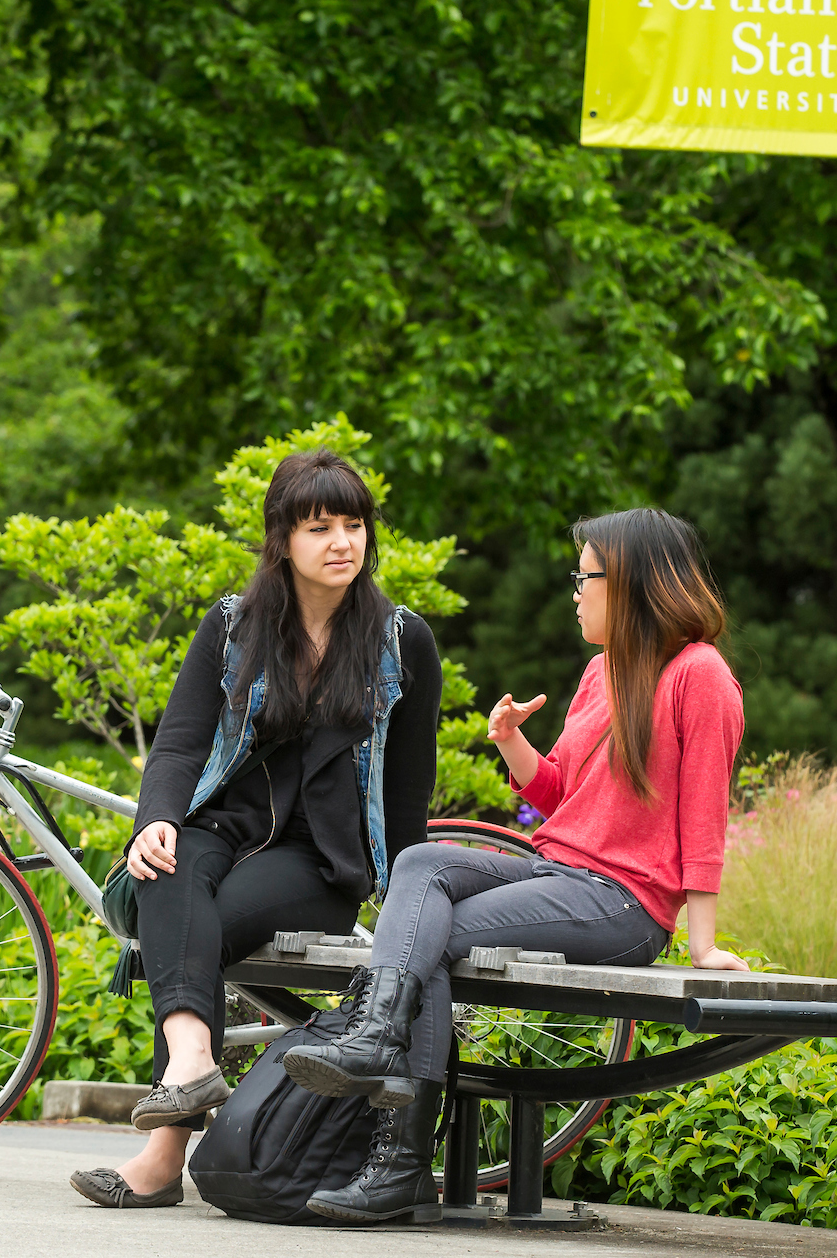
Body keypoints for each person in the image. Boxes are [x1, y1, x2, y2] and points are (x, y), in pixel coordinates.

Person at [280, 506, 746, 1224]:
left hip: (623, 904)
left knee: (422, 939)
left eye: (584, 576)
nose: (576, 591)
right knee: (423, 867)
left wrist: (704, 943)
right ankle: (382, 1076)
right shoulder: (603, 672)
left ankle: (398, 1157)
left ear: (632, 583)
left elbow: (704, 818)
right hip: (557, 873)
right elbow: (561, 790)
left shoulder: (700, 676)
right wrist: (510, 743)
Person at [68, 450, 441, 1210]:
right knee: (165, 875)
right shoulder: (234, 627)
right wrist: (157, 823)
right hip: (225, 824)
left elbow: (406, 795)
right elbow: (178, 741)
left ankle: (163, 1152)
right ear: (282, 539)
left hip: (318, 860)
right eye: (320, 526)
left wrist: (407, 901)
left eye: (354, 524)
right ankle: (193, 1060)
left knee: (191, 927)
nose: (343, 541)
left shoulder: (402, 642)